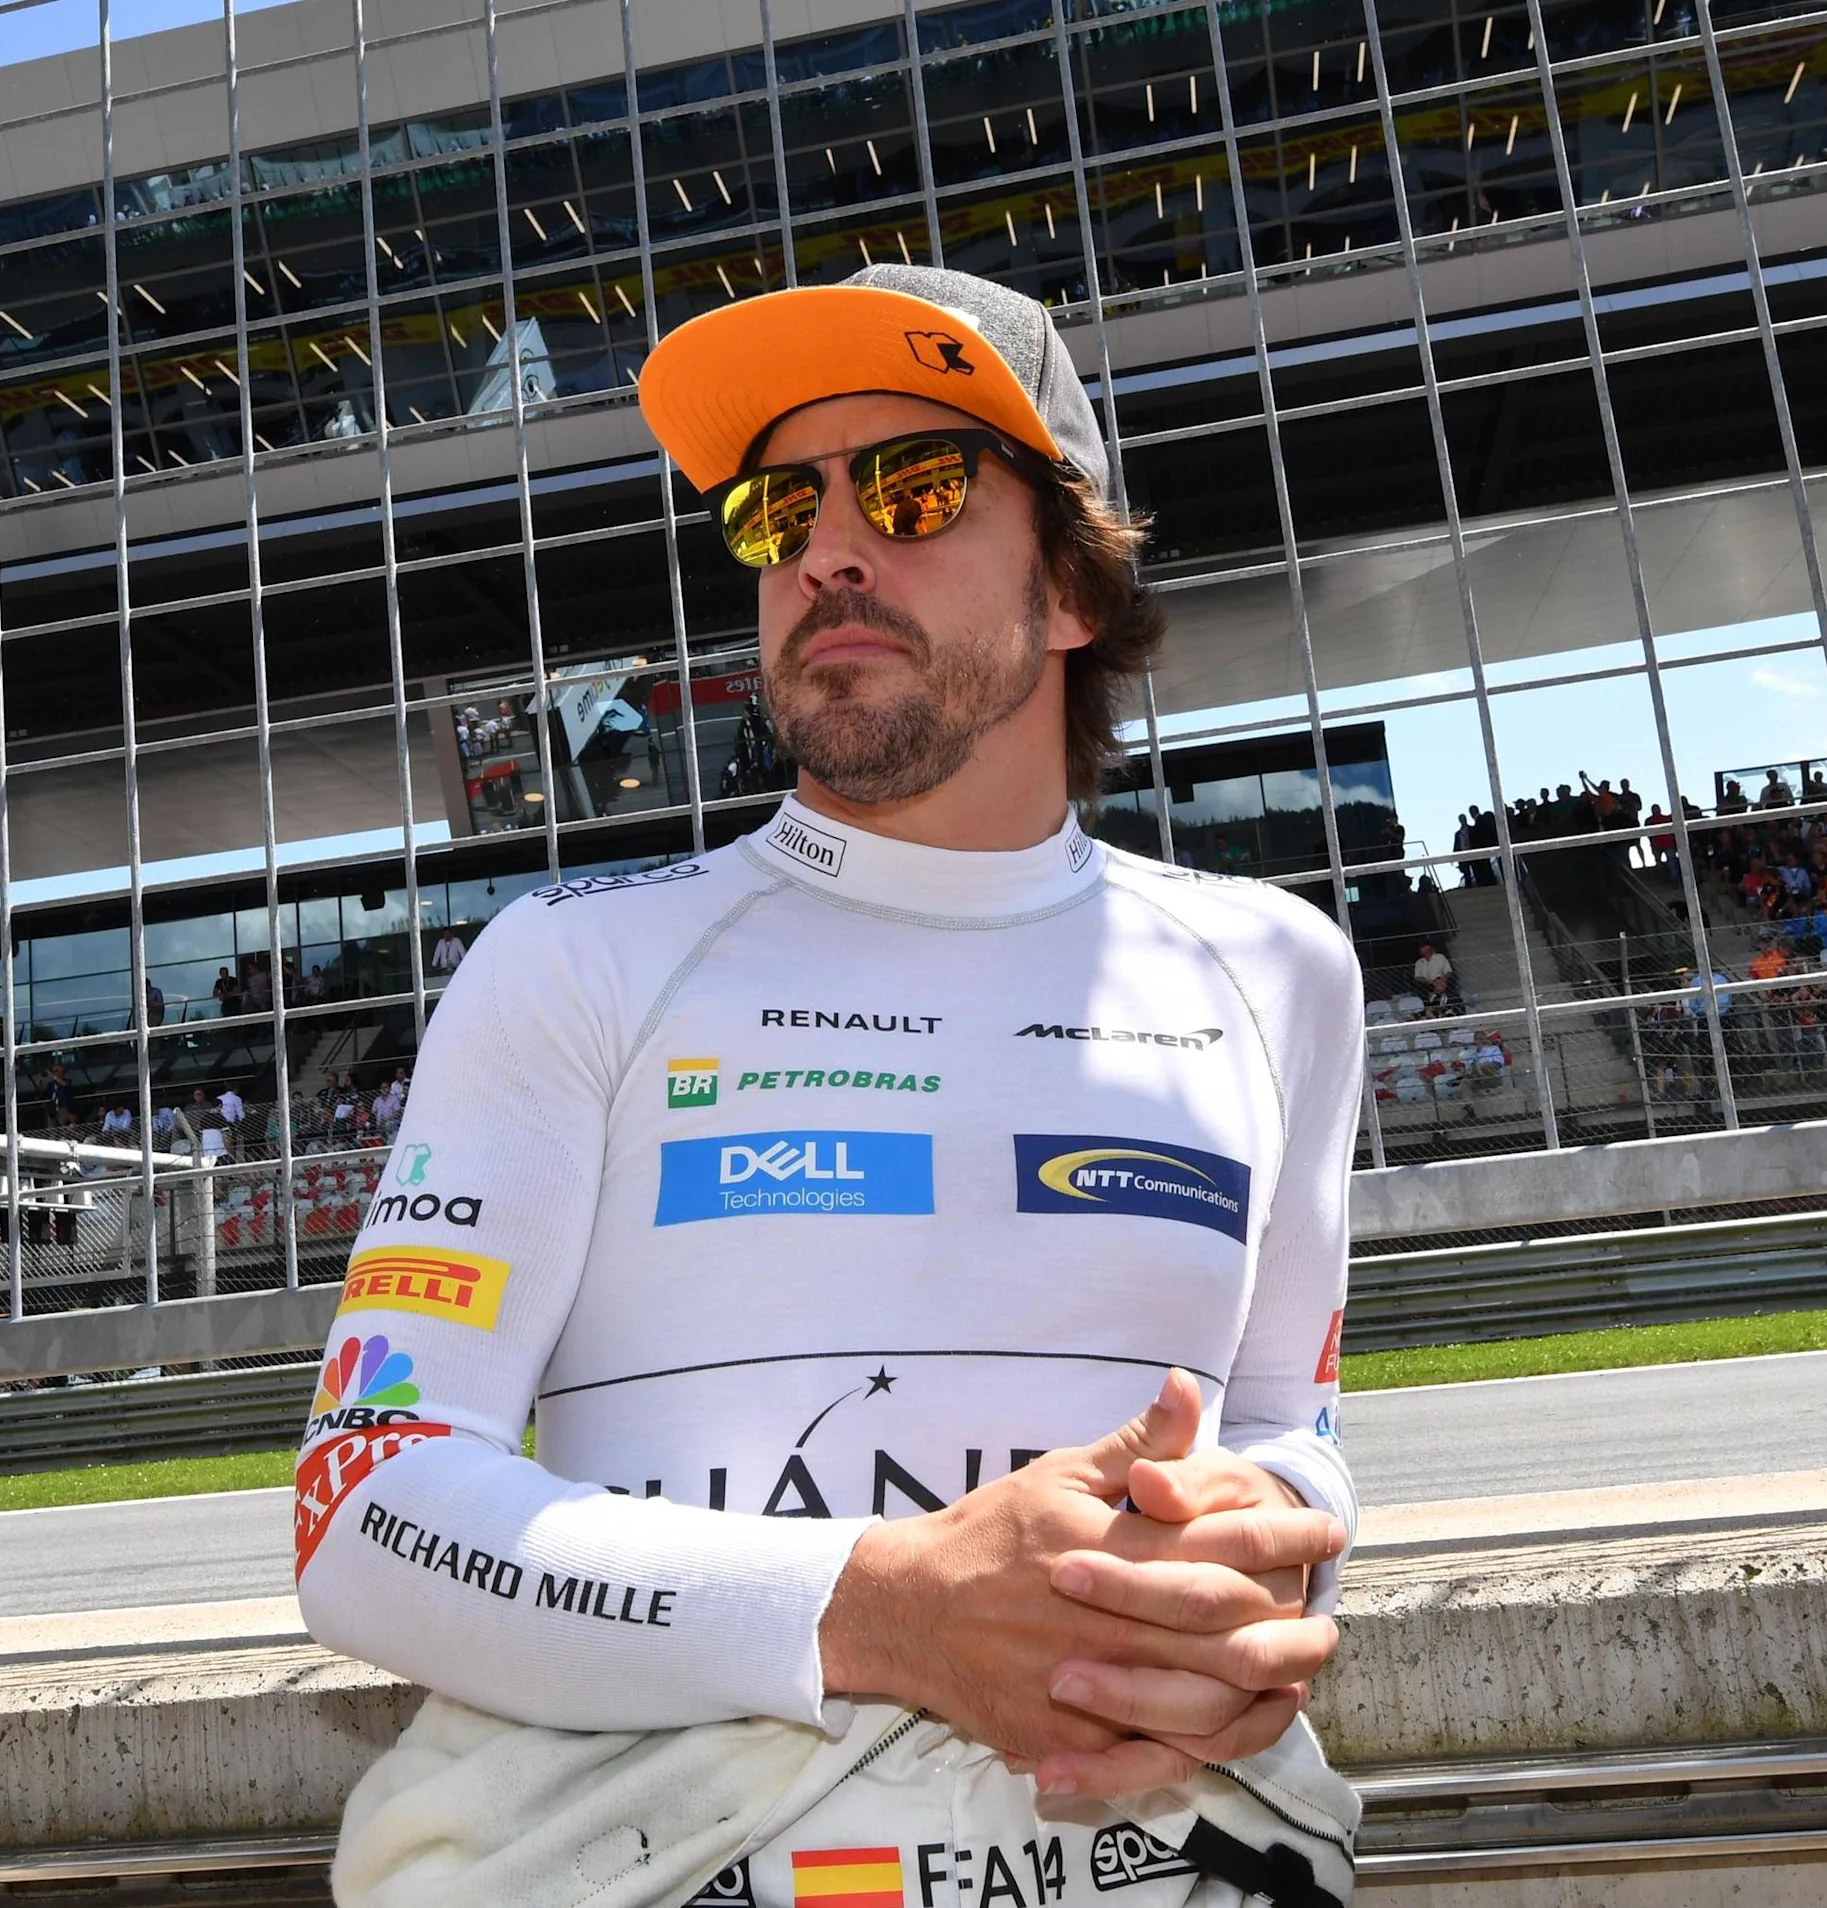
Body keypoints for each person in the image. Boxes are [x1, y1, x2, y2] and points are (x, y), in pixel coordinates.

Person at [294, 264, 1358, 1894]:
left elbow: (1291, 1428)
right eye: (775, 509)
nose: (827, 548)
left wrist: (1239, 1542)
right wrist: (886, 1606)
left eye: (916, 486)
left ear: (1072, 591)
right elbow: (365, 1506)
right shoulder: (572, 960)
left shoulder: (1277, 971)